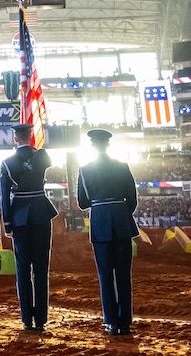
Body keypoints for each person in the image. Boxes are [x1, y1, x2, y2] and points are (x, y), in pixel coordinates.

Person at [76, 129, 139, 336]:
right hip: (121, 221)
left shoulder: (85, 170)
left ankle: (111, 321)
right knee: (123, 274)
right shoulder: (122, 166)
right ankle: (125, 323)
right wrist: (120, 212)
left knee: (105, 275)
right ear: (108, 145)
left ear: (92, 146)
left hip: (100, 221)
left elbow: (83, 203)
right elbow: (132, 199)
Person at [0, 123, 58, 332]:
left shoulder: (7, 163)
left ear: (15, 138)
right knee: (41, 268)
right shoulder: (42, 156)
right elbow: (45, 160)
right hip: (41, 214)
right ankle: (41, 318)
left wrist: (7, 223)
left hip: (20, 217)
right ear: (31, 136)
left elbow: (4, 197)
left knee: (23, 269)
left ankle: (27, 318)